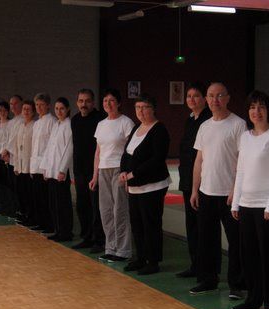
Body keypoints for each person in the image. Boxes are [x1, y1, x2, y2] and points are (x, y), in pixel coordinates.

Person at [230, 90, 269, 309]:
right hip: (245, 204)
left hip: (267, 207)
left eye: (261, 107)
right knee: (250, 255)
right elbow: (241, 170)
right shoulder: (245, 137)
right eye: (253, 107)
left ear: (268, 110)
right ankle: (254, 298)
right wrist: (236, 202)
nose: (257, 112)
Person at [190, 82, 246, 299]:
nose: (215, 100)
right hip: (206, 191)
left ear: (228, 98)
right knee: (207, 239)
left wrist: (235, 190)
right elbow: (199, 160)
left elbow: (242, 160)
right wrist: (195, 189)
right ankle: (208, 279)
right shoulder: (204, 126)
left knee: (235, 241)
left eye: (220, 96)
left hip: (229, 194)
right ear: (206, 99)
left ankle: (237, 284)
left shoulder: (238, 124)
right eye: (211, 96)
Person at [120, 94, 171, 275]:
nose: (141, 111)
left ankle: (153, 261)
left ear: (153, 109)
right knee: (137, 223)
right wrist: (123, 172)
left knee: (151, 224)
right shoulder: (137, 128)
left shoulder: (159, 130)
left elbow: (157, 159)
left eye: (145, 107)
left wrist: (134, 173)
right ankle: (140, 257)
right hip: (135, 186)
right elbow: (126, 154)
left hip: (153, 185)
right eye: (138, 107)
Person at [90, 89, 134, 262]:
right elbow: (98, 152)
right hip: (103, 170)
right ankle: (111, 247)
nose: (108, 104)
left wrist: (127, 174)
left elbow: (131, 150)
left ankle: (123, 250)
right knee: (106, 211)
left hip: (119, 169)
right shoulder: (101, 124)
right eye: (105, 101)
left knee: (120, 210)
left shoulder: (126, 122)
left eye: (112, 101)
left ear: (119, 103)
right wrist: (95, 176)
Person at [176, 82, 211, 278]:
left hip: (203, 181)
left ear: (204, 99)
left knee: (202, 226)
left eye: (196, 96)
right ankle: (195, 264)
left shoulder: (207, 120)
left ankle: (205, 267)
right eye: (188, 96)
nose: (191, 99)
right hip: (188, 179)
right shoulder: (190, 120)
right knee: (191, 225)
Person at [70, 89, 106, 253]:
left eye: (87, 101)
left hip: (94, 169)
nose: (84, 104)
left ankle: (99, 240)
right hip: (79, 169)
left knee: (96, 206)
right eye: (81, 101)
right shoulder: (75, 120)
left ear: (93, 102)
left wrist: (96, 171)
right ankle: (86, 236)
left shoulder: (100, 120)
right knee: (82, 205)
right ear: (77, 103)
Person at [40, 97, 74, 242]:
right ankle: (57, 229)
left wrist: (62, 169)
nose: (59, 111)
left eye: (62, 108)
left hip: (61, 171)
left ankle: (66, 232)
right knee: (53, 202)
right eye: (57, 109)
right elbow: (49, 148)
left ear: (67, 109)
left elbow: (69, 149)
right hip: (52, 169)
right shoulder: (56, 125)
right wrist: (46, 168)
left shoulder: (69, 125)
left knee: (63, 203)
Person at [28, 93, 55, 230]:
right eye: (37, 105)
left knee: (45, 198)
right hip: (35, 165)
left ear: (48, 105)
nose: (39, 107)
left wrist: (46, 166)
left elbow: (50, 146)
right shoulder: (37, 123)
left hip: (44, 166)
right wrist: (31, 167)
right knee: (37, 197)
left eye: (41, 105)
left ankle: (48, 224)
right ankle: (40, 221)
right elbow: (34, 146)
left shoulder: (52, 121)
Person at [13, 100, 36, 225]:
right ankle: (22, 214)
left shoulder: (34, 126)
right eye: (24, 109)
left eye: (28, 109)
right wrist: (16, 164)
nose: (26, 111)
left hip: (29, 166)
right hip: (20, 165)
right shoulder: (20, 126)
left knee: (29, 194)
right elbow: (16, 147)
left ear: (33, 112)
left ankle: (30, 216)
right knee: (21, 192)